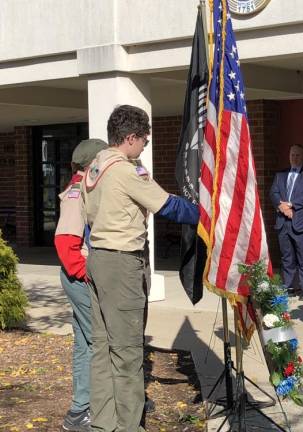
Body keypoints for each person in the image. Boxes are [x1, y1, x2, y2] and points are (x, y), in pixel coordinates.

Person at [82, 105, 199, 432]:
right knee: (129, 354)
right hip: (122, 264)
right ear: (130, 137)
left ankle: (104, 424)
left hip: (99, 259)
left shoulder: (95, 167)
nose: (145, 145)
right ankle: (130, 426)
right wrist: (209, 214)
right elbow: (168, 206)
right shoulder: (124, 171)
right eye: (144, 141)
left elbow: (88, 218)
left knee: (102, 349)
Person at [54, 138, 108, 432]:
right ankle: (91, 408)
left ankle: (80, 409)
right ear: (91, 165)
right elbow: (65, 242)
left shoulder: (85, 188)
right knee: (98, 341)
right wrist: (85, 272)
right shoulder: (77, 193)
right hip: (79, 277)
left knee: (85, 343)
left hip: (80, 276)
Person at [270, 144, 303, 300]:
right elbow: (273, 192)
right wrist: (282, 207)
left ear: (302, 156)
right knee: (287, 257)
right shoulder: (281, 175)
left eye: (297, 155)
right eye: (292, 155)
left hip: (301, 222)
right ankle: (289, 286)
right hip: (283, 223)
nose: (294, 158)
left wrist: (291, 205)